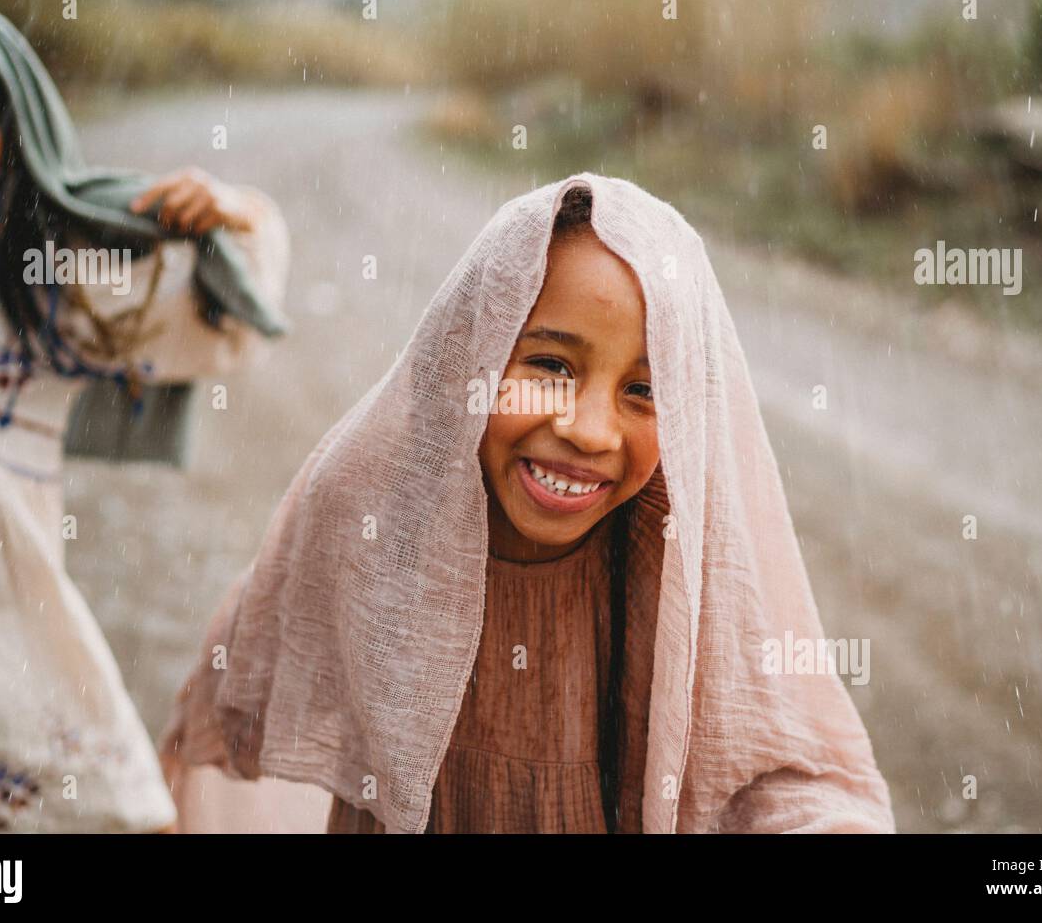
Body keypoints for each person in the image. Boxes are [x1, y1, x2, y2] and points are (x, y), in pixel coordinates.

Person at [160, 172, 894, 834]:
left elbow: (783, 770)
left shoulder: (676, 561)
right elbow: (243, 683)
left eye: (645, 390)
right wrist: (235, 228)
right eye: (548, 365)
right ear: (467, 359)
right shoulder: (371, 515)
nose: (587, 429)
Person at [0, 0, 289, 833]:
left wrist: (229, 217)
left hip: (38, 736)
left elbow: (225, 324)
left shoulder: (45, 299)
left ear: (14, 136)